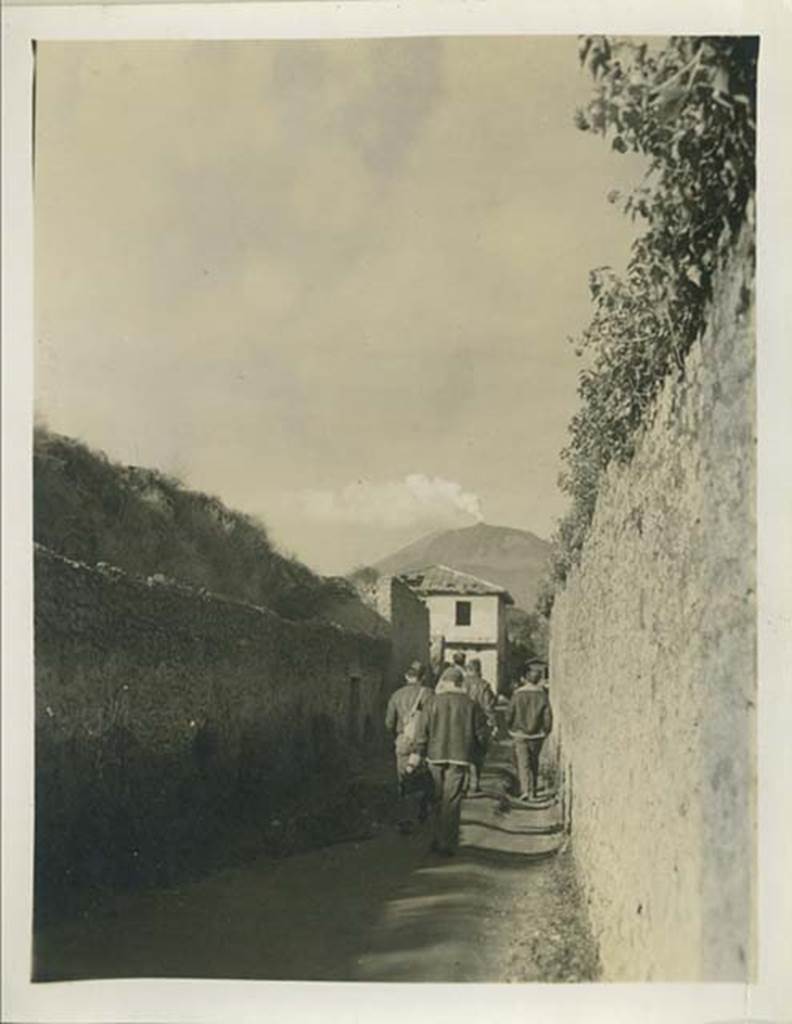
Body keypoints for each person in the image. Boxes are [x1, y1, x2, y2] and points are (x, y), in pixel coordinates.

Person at [415, 666, 489, 855]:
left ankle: (435, 837)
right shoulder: (471, 705)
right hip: (460, 757)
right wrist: (479, 752)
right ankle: (448, 842)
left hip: (434, 756)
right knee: (452, 799)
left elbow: (422, 731)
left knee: (435, 797)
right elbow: (481, 734)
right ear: (460, 683)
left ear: (444, 682)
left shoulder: (431, 702)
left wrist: (419, 753)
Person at [384, 662, 434, 828]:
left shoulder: (396, 695)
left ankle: (406, 816)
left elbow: (389, 723)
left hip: (403, 741)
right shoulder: (429, 694)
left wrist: (397, 737)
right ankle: (421, 811)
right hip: (424, 742)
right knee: (424, 776)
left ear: (406, 677)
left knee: (404, 778)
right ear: (423, 677)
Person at [506, 659, 553, 801]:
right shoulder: (542, 695)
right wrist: (546, 730)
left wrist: (509, 726)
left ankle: (525, 790)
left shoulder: (517, 694)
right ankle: (533, 790)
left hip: (519, 733)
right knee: (534, 761)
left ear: (525, 679)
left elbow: (509, 713)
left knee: (523, 762)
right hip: (537, 734)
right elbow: (547, 715)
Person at [463, 658, 498, 792]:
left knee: (464, 752)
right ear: (479, 670)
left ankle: (464, 782)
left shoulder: (461, 684)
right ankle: (475, 782)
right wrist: (493, 723)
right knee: (478, 753)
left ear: (468, 670)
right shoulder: (484, 685)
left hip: (462, 721)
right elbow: (488, 706)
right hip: (479, 722)